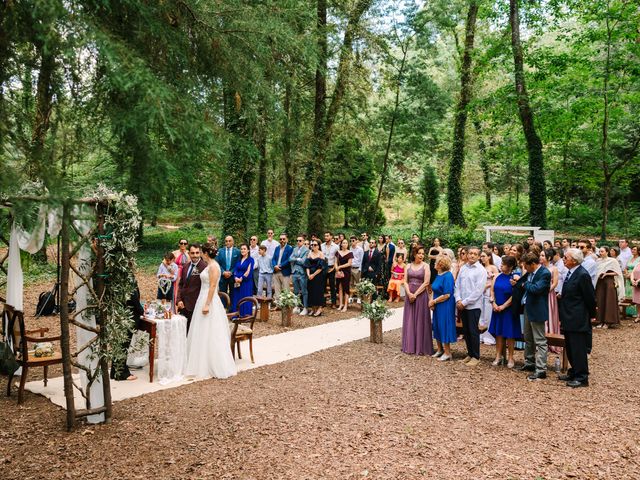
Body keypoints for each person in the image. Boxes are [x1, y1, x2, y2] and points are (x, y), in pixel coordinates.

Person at [184, 242, 237, 380]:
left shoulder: (214, 266)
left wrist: (207, 304)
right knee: (201, 332)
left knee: (211, 331)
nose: (200, 254)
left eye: (201, 252)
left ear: (206, 253)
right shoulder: (209, 265)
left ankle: (213, 364)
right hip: (202, 297)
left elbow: (213, 286)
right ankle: (200, 361)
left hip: (209, 300)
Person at [558, 248, 596, 387]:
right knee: (570, 346)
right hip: (568, 316)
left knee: (578, 347)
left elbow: (590, 298)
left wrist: (591, 316)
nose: (563, 259)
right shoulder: (571, 273)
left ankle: (582, 377)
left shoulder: (582, 275)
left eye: (566, 257)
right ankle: (573, 372)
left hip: (578, 317)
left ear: (574, 260)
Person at [513, 252, 551, 381]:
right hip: (528, 308)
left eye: (526, 266)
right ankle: (529, 363)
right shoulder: (530, 273)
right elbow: (521, 284)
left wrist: (523, 284)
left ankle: (541, 370)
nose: (525, 268)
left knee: (540, 341)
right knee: (528, 338)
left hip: (538, 310)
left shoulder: (544, 273)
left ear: (533, 264)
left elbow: (536, 289)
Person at [454, 247, 487, 367]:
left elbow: (478, 291)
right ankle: (469, 353)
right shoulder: (463, 268)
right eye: (470, 253)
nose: (472, 256)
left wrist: (465, 302)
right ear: (467, 255)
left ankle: (476, 356)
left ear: (478, 257)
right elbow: (457, 285)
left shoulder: (481, 270)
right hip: (461, 304)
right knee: (466, 331)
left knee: (473, 331)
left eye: (475, 254)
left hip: (473, 305)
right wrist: (458, 299)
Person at [488, 256, 521, 368]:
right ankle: (498, 356)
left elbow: (515, 295)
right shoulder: (497, 276)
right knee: (499, 333)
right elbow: (492, 290)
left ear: (511, 266)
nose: (501, 265)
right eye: (501, 263)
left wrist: (503, 306)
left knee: (510, 334)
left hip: (509, 310)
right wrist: (493, 303)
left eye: (504, 264)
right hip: (496, 308)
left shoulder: (514, 278)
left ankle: (511, 357)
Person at [401, 246, 432, 356]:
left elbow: (426, 282)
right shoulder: (408, 265)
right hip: (410, 294)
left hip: (421, 295)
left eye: (423, 253)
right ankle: (409, 345)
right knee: (410, 319)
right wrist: (409, 293)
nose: (421, 255)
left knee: (420, 320)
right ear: (414, 254)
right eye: (419, 253)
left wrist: (415, 294)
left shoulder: (426, 266)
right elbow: (405, 281)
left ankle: (421, 346)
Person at [110, 281, 144, 381]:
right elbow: (133, 298)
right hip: (129, 316)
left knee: (119, 343)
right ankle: (123, 374)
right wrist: (141, 310)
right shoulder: (128, 279)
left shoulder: (120, 277)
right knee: (124, 344)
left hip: (121, 314)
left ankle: (115, 372)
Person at [177, 243, 208, 333]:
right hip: (183, 305)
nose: (195, 255)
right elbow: (181, 284)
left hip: (196, 305)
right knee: (183, 331)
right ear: (189, 253)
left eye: (197, 253)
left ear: (200, 253)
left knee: (193, 333)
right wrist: (178, 300)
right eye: (192, 253)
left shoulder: (204, 267)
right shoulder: (186, 266)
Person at [430, 255, 456, 361]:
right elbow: (434, 289)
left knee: (444, 325)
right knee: (437, 325)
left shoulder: (448, 276)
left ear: (440, 264)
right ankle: (440, 349)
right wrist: (431, 302)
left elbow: (447, 294)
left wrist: (434, 301)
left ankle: (447, 352)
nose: (434, 263)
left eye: (436, 262)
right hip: (437, 304)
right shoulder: (439, 274)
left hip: (445, 305)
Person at [595, 245, 624, 328]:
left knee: (609, 301)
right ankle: (600, 320)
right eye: (599, 251)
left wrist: (606, 273)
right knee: (600, 301)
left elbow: (617, 272)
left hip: (609, 282)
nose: (600, 253)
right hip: (600, 282)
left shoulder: (612, 261)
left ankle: (608, 321)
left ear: (607, 252)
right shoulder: (598, 261)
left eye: (602, 251)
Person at [540, 248, 561, 354]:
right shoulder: (540, 268)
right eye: (540, 255)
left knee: (550, 315)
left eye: (543, 255)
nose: (540, 257)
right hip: (540, 294)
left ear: (548, 257)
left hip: (549, 294)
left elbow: (555, 282)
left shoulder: (554, 268)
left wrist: (548, 290)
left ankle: (552, 341)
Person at [479, 250, 499, 345]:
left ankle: (489, 337)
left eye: (483, 256)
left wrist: (487, 286)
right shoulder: (480, 267)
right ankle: (480, 335)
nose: (481, 258)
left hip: (488, 291)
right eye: (481, 256)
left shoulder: (493, 267)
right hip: (480, 292)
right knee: (480, 314)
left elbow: (496, 280)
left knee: (488, 314)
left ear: (489, 257)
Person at [231, 244, 254, 317]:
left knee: (245, 298)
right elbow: (235, 270)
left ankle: (245, 315)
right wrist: (235, 277)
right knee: (237, 298)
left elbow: (249, 271)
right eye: (241, 249)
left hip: (246, 283)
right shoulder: (239, 259)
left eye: (244, 249)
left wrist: (242, 278)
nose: (242, 250)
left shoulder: (251, 260)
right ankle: (237, 314)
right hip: (237, 282)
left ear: (248, 250)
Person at [305, 241, 326, 316]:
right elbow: (307, 265)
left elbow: (321, 268)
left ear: (318, 246)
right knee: (311, 291)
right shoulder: (309, 254)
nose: (313, 246)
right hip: (310, 276)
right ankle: (313, 308)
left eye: (315, 245)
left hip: (318, 276)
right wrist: (308, 274)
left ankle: (320, 308)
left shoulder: (321, 254)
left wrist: (313, 275)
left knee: (318, 292)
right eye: (312, 245)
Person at [290, 236, 310, 316]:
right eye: (297, 240)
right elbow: (289, 259)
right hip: (294, 272)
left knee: (304, 291)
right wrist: (298, 259)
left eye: (300, 240)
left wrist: (296, 259)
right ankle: (297, 306)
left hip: (302, 273)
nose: (298, 242)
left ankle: (305, 308)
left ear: (303, 241)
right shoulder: (294, 249)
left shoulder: (307, 250)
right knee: (295, 291)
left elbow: (303, 261)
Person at [271, 233, 293, 306]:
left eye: (284, 239)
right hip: (276, 271)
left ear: (287, 239)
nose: (282, 240)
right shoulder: (277, 248)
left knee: (286, 289)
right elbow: (273, 258)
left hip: (285, 271)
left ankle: (286, 305)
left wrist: (279, 265)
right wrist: (275, 266)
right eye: (280, 239)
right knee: (277, 289)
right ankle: (278, 305)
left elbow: (289, 259)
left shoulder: (290, 248)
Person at [334, 239, 354, 312]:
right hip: (339, 272)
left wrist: (340, 267)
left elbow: (349, 263)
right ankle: (340, 304)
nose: (345, 244)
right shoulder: (338, 252)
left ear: (348, 244)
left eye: (346, 243)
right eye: (343, 243)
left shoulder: (350, 253)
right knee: (339, 288)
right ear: (341, 244)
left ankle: (345, 305)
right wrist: (337, 269)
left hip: (346, 272)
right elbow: (335, 262)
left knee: (346, 288)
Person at [321, 232, 339, 308]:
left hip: (332, 267)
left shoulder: (336, 246)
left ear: (331, 237)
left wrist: (334, 268)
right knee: (323, 285)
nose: (326, 237)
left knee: (332, 286)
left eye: (327, 236)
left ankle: (333, 303)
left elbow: (337, 259)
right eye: (325, 236)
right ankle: (323, 302)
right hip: (323, 267)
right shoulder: (321, 246)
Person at [172, 239, 190, 308]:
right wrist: (171, 270)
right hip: (177, 272)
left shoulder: (189, 253)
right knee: (176, 288)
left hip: (186, 272)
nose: (183, 245)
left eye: (185, 244)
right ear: (179, 244)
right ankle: (175, 306)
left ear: (187, 245)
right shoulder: (175, 253)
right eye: (181, 243)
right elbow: (165, 261)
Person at [624, 245, 640, 317]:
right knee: (629, 293)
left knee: (636, 295)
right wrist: (627, 273)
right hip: (629, 278)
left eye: (634, 249)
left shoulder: (639, 259)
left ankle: (635, 312)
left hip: (636, 276)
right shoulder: (630, 258)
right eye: (632, 249)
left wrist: (631, 275)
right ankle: (628, 311)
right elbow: (626, 267)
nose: (632, 251)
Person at [631, 257, 640, 323]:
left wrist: (638, 281)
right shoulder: (637, 264)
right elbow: (632, 272)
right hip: (636, 285)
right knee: (637, 301)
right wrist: (632, 280)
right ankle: (638, 316)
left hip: (638, 282)